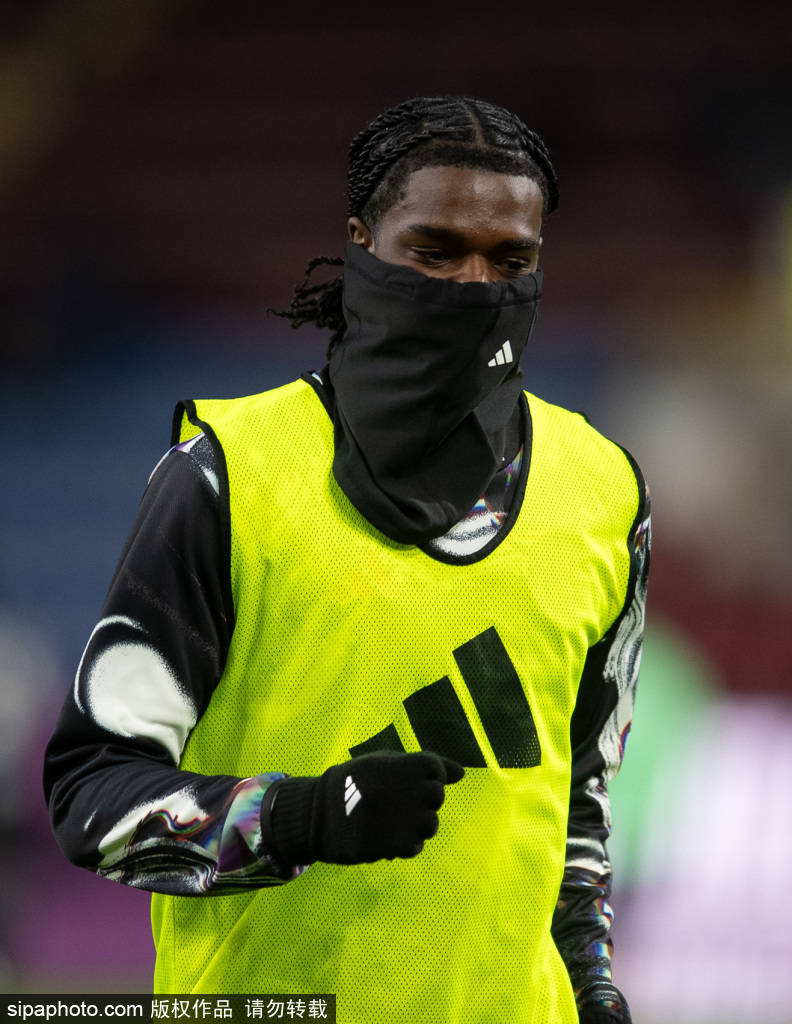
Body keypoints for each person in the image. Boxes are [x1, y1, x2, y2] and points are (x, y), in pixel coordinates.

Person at [44, 95, 650, 1024]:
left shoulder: (604, 489)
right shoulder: (227, 475)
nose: (474, 286)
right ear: (362, 243)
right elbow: (90, 794)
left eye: (510, 261)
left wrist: (593, 988)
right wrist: (298, 819)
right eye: (435, 251)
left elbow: (581, 806)